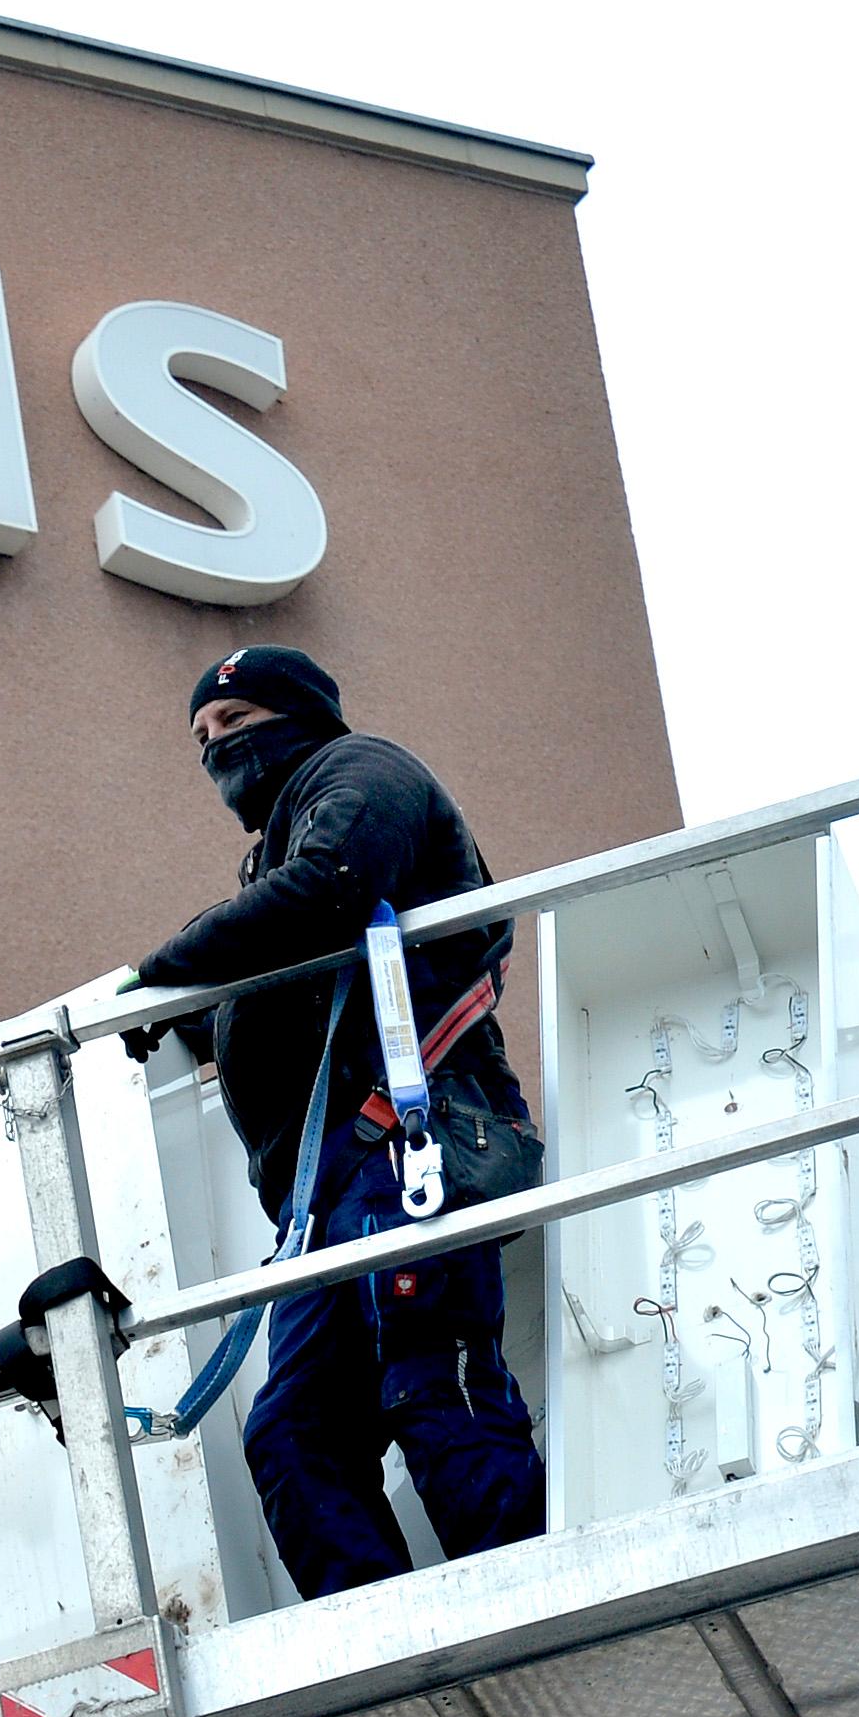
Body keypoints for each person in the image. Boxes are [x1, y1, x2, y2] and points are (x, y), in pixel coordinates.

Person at [126, 646, 546, 1600]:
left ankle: (530, 1607)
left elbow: (334, 885)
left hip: (407, 1148)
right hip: (324, 1205)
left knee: (430, 1377)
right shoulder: (269, 858)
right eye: (201, 738)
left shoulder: (362, 775)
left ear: (300, 713)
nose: (217, 750)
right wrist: (190, 1012)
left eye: (234, 724)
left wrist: (164, 971)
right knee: (293, 1433)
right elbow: (288, 963)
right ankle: (383, 1636)